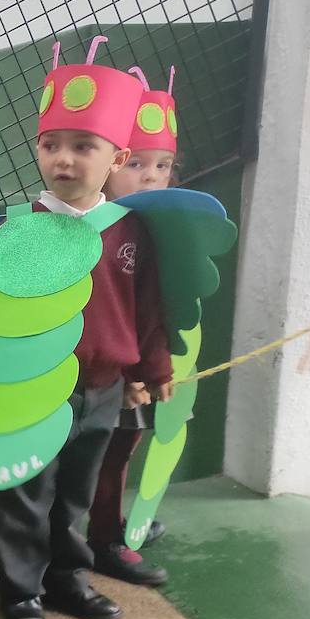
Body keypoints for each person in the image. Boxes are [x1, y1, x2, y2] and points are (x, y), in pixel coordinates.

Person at [0, 40, 171, 619]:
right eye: (51, 144)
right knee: (24, 490)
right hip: (36, 387)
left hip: (102, 387)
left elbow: (145, 306)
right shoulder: (21, 230)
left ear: (117, 156)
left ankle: (68, 578)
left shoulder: (128, 229)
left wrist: (152, 366)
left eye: (82, 146)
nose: (64, 159)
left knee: (75, 491)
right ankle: (20, 591)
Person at [86, 66, 179, 587]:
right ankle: (103, 540)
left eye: (163, 166)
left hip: (133, 369)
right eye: (138, 163)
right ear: (113, 160)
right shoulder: (95, 228)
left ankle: (107, 523)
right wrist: (127, 375)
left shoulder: (151, 226)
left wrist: (154, 367)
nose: (150, 176)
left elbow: (149, 310)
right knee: (101, 451)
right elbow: (105, 316)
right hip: (99, 375)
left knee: (122, 447)